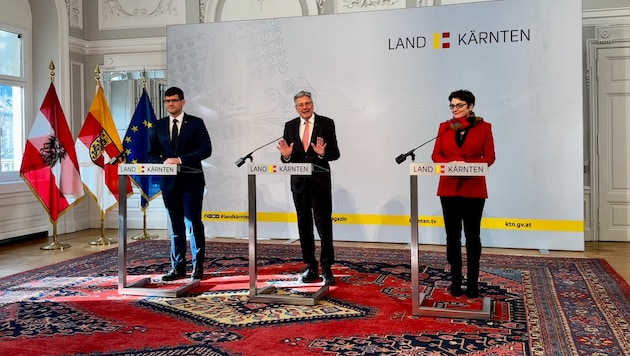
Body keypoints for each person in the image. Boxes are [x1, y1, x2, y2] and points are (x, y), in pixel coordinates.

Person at [431, 89, 495, 298]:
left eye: (459, 105)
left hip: (473, 189)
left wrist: (465, 164)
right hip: (448, 189)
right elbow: (436, 155)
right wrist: (451, 164)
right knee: (452, 236)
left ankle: (473, 284)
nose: (455, 109)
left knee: (472, 236)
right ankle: (456, 281)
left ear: (470, 107)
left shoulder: (484, 127)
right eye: (452, 105)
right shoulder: (444, 127)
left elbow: (490, 157)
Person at [147, 86, 212, 281]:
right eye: (167, 101)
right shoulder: (157, 126)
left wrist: (180, 159)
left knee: (193, 223)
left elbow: (205, 150)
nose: (170, 104)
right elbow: (151, 155)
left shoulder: (196, 123)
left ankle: (197, 266)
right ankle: (177, 267)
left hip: (191, 182)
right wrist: (164, 163)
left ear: (183, 102)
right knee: (175, 226)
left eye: (174, 100)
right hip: (168, 183)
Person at [277, 91, 341, 286]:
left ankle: (327, 268)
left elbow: (335, 153)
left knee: (323, 225)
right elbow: (285, 155)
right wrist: (286, 156)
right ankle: (310, 266)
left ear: (313, 105)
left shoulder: (326, 123)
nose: (305, 107)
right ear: (296, 108)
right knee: (304, 226)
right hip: (299, 184)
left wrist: (323, 153)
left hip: (320, 183)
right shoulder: (290, 126)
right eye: (301, 105)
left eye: (308, 103)